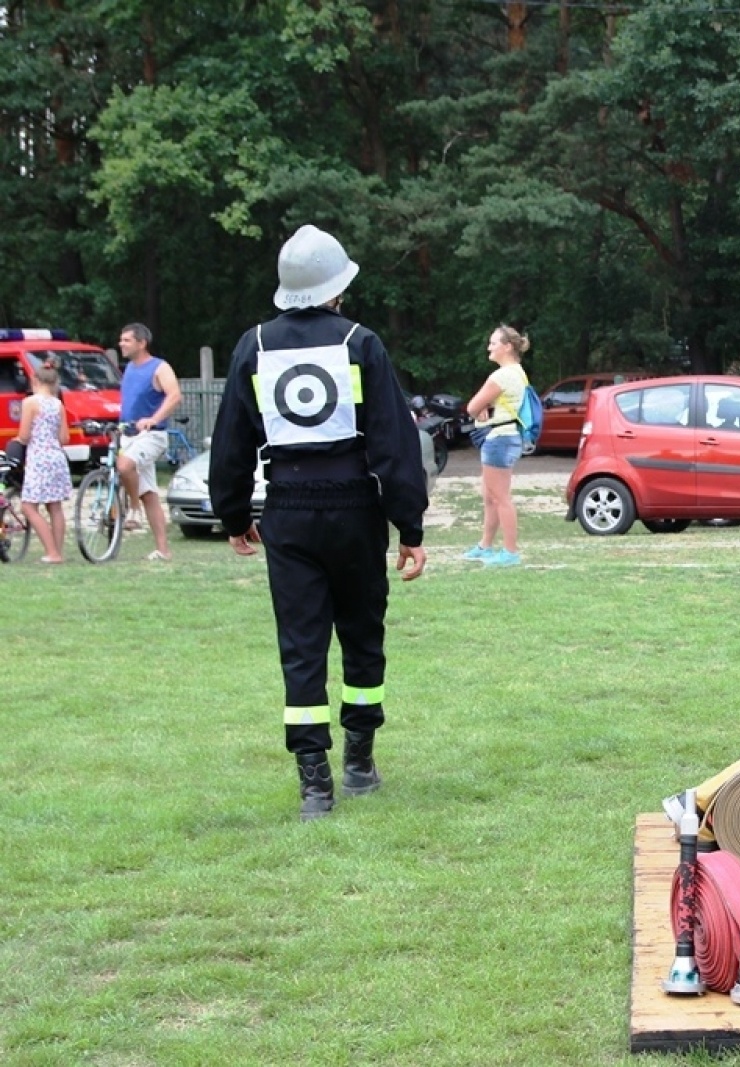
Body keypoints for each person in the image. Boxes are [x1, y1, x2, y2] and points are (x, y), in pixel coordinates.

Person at [210, 224, 429, 820]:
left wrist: (233, 513)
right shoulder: (363, 342)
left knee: (301, 649)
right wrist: (409, 526)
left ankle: (314, 786)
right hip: (357, 512)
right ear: (339, 285)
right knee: (362, 637)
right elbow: (394, 441)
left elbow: (231, 440)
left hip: (287, 512)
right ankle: (359, 761)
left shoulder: (252, 344)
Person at [464, 325, 531, 567]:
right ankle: (485, 545)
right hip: (508, 436)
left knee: (500, 497)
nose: (489, 347)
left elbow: (472, 406)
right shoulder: (519, 372)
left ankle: (510, 552)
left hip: (499, 438)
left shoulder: (501, 375)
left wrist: (480, 409)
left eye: (493, 343)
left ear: (507, 347)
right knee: (490, 496)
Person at [115, 323, 182, 561]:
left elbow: (175, 395)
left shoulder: (159, 368)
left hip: (151, 436)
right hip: (129, 434)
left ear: (142, 343)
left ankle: (133, 510)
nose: (121, 344)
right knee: (150, 494)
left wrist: (153, 419)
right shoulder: (130, 369)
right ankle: (163, 550)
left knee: (124, 466)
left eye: (126, 340)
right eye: (121, 340)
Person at [16, 363, 71, 563]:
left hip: (39, 458)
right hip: (57, 457)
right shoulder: (58, 404)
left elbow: (24, 435)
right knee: (54, 507)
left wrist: (16, 441)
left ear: (34, 381)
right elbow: (64, 438)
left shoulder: (30, 402)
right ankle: (58, 551)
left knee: (28, 506)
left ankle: (51, 552)